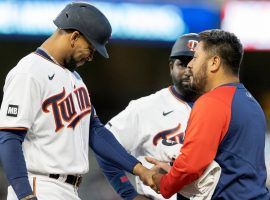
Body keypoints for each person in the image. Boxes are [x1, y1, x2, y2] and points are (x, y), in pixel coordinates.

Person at [0, 2, 153, 200]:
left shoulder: (75, 79)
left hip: (69, 190)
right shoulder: (29, 71)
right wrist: (25, 195)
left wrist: (139, 169)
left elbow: (96, 131)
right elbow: (10, 137)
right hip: (39, 185)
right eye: (90, 48)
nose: (90, 57)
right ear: (74, 36)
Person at [147, 29, 270, 199]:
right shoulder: (252, 103)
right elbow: (230, 164)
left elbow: (190, 166)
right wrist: (173, 169)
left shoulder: (213, 102)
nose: (190, 64)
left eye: (196, 57)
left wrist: (163, 182)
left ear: (214, 63)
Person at [96, 33, 200, 200]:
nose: (188, 70)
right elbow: (104, 149)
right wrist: (129, 194)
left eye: (195, 64)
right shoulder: (145, 108)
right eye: (182, 64)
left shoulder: (219, 110)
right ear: (171, 66)